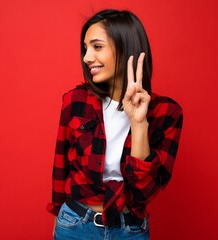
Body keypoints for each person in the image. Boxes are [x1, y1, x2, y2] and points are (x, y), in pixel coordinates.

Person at [47, 9, 183, 239]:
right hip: (74, 226)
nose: (86, 57)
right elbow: (61, 168)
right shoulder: (75, 101)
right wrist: (58, 224)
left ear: (125, 47)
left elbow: (144, 193)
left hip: (129, 230)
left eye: (97, 47)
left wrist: (139, 123)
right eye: (86, 48)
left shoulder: (167, 113)